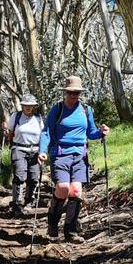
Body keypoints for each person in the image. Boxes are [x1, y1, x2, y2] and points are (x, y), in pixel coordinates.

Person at [39, 76, 109, 243]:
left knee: (76, 191)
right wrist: (42, 151)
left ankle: (70, 230)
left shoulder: (86, 110)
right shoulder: (57, 109)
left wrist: (101, 132)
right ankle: (53, 222)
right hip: (60, 154)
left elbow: (90, 132)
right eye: (71, 92)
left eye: (77, 93)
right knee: (63, 189)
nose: (74, 95)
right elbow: (46, 132)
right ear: (65, 93)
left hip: (80, 156)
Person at [2, 94, 43, 216]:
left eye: (30, 106)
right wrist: (5, 130)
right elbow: (10, 132)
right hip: (19, 149)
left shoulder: (39, 118)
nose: (28, 108)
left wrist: (43, 151)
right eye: (26, 105)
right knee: (20, 175)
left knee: (34, 177)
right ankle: (17, 204)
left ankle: (29, 201)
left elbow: (44, 135)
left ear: (34, 107)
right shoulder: (16, 116)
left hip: (35, 151)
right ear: (22, 106)